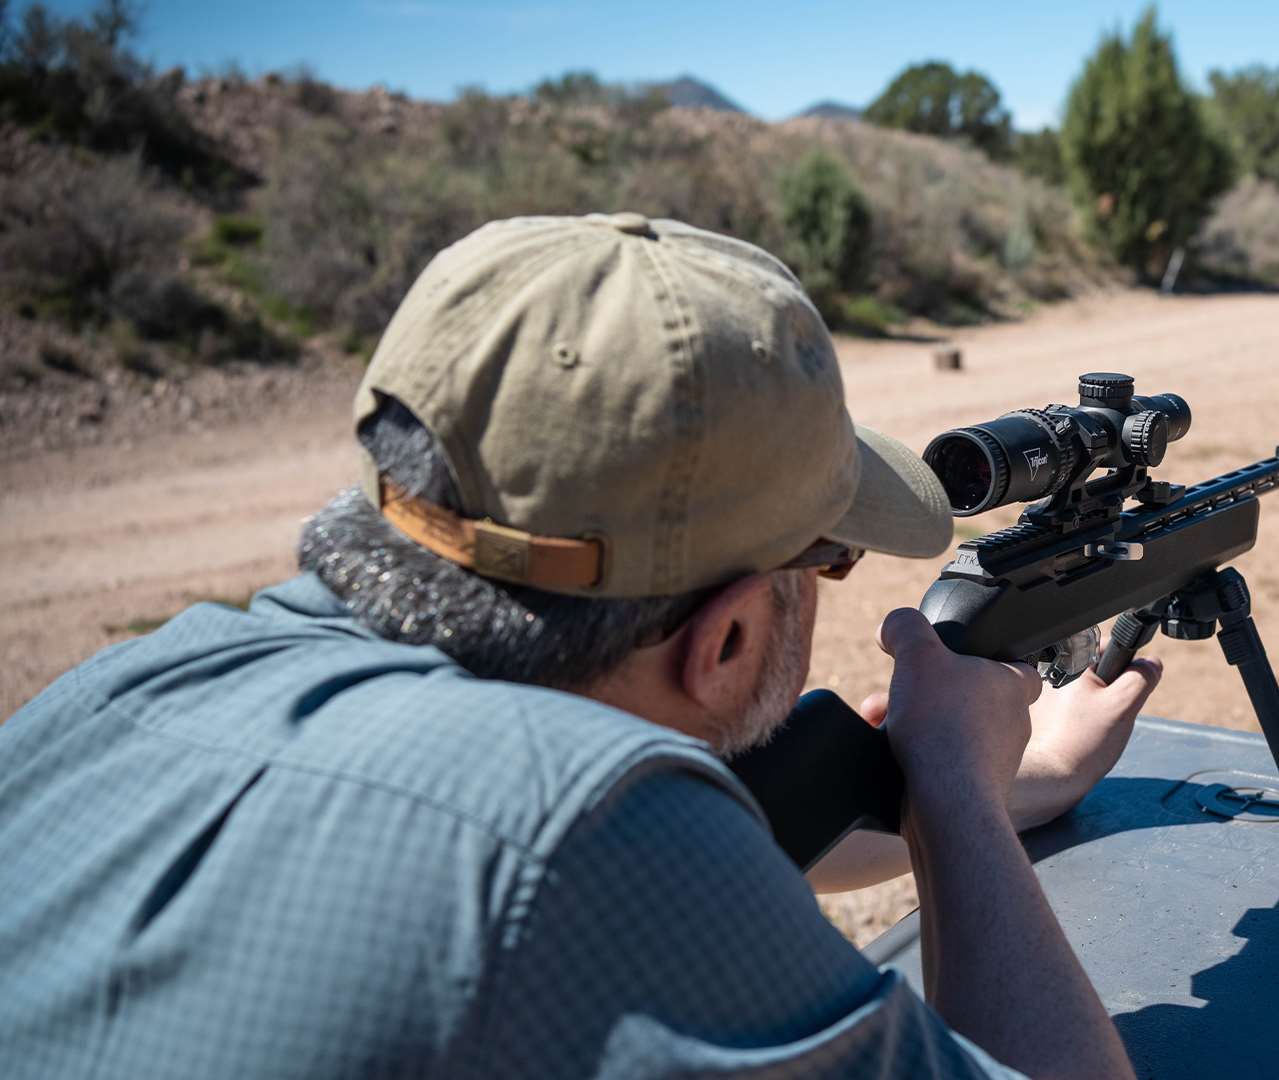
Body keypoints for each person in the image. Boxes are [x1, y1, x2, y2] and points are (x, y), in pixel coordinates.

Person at [0, 213, 1163, 1078]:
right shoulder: (587, 845)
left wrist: (1014, 780)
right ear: (728, 639)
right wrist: (956, 792)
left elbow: (721, 847)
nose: (831, 583)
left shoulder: (113, 694)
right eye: (829, 561)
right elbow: (608, 861)